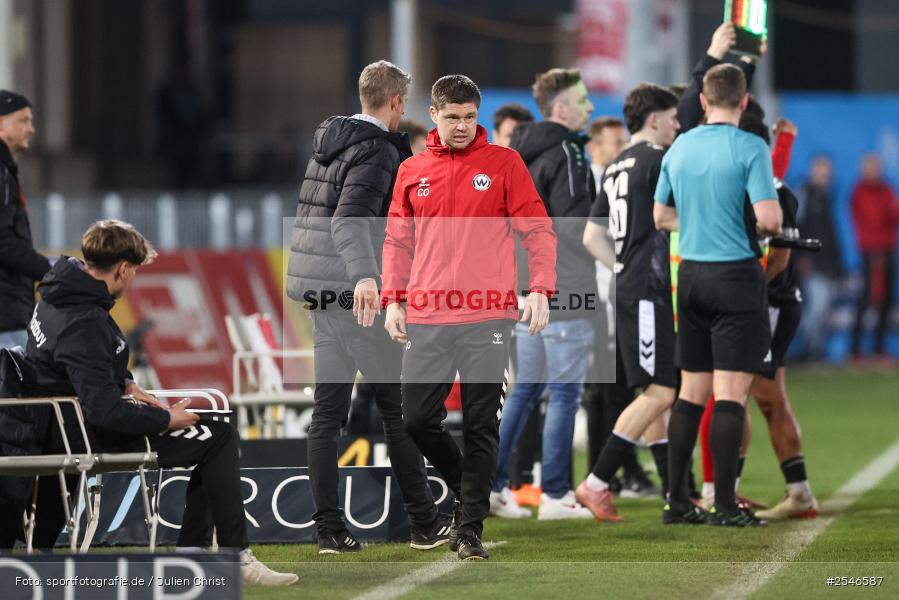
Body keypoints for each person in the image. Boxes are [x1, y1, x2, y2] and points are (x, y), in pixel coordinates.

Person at [0, 220, 296, 585]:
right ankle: (228, 555)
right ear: (123, 268)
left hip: (54, 423)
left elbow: (61, 364)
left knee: (214, 428)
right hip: (82, 431)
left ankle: (197, 553)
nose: (134, 277)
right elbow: (103, 410)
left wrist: (124, 384)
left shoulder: (57, 296)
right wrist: (166, 420)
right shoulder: (84, 319)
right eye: (136, 270)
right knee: (217, 433)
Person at [382, 74, 556, 560]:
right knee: (417, 420)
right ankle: (469, 490)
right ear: (433, 115)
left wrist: (540, 288)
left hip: (488, 315)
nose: (461, 126)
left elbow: (538, 231)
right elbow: (397, 240)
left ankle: (470, 528)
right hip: (428, 314)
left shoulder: (505, 164)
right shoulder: (411, 170)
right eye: (452, 117)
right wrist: (393, 300)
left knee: (481, 424)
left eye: (469, 117)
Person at [286, 60, 449, 554]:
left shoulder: (329, 143)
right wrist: (365, 277)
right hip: (356, 296)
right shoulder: (378, 150)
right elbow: (350, 220)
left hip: (319, 294)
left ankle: (329, 530)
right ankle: (423, 524)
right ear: (397, 102)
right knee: (398, 412)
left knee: (327, 415)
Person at [654, 64, 781, 527]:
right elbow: (768, 219)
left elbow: (660, 216)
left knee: (690, 392)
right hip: (735, 277)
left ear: (704, 101)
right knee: (729, 394)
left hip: (690, 278)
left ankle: (677, 501)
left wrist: (700, 222)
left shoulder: (681, 144)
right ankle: (725, 505)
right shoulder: (751, 146)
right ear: (743, 102)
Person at [492, 68, 597, 521]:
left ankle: (492, 486)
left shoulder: (517, 153)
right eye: (584, 100)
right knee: (564, 394)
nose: (590, 108)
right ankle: (555, 493)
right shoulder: (569, 151)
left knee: (524, 391)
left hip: (523, 286)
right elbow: (575, 228)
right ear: (561, 109)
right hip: (563, 286)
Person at [576, 83, 681, 521]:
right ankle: (597, 483)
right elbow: (667, 218)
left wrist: (618, 266)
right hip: (648, 291)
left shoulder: (617, 164)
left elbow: (589, 235)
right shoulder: (659, 160)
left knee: (653, 391)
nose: (678, 124)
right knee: (661, 391)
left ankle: (678, 494)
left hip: (628, 288)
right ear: (654, 119)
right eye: (673, 117)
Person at [0, 90, 50, 349]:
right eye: (23, 120)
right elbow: (3, 243)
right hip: (5, 317)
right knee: (13, 388)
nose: (31, 129)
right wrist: (51, 271)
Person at [849, 154, 899, 363]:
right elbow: (874, 217)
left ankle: (879, 348)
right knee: (866, 300)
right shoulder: (859, 192)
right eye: (870, 167)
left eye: (876, 167)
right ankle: (855, 351)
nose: (874, 171)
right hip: (870, 252)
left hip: (887, 250)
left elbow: (895, 214)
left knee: (886, 302)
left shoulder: (887, 190)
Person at [797, 155, 843, 361]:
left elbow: (831, 235)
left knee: (822, 309)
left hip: (826, 264)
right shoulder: (804, 194)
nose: (825, 176)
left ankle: (814, 349)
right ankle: (808, 348)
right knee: (816, 307)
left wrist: (837, 264)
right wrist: (801, 257)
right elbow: (795, 227)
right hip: (811, 262)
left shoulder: (826, 198)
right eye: (821, 171)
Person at [586, 117, 629, 183]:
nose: (626, 148)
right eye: (618, 143)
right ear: (593, 147)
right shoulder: (582, 184)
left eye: (627, 142)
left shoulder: (631, 180)